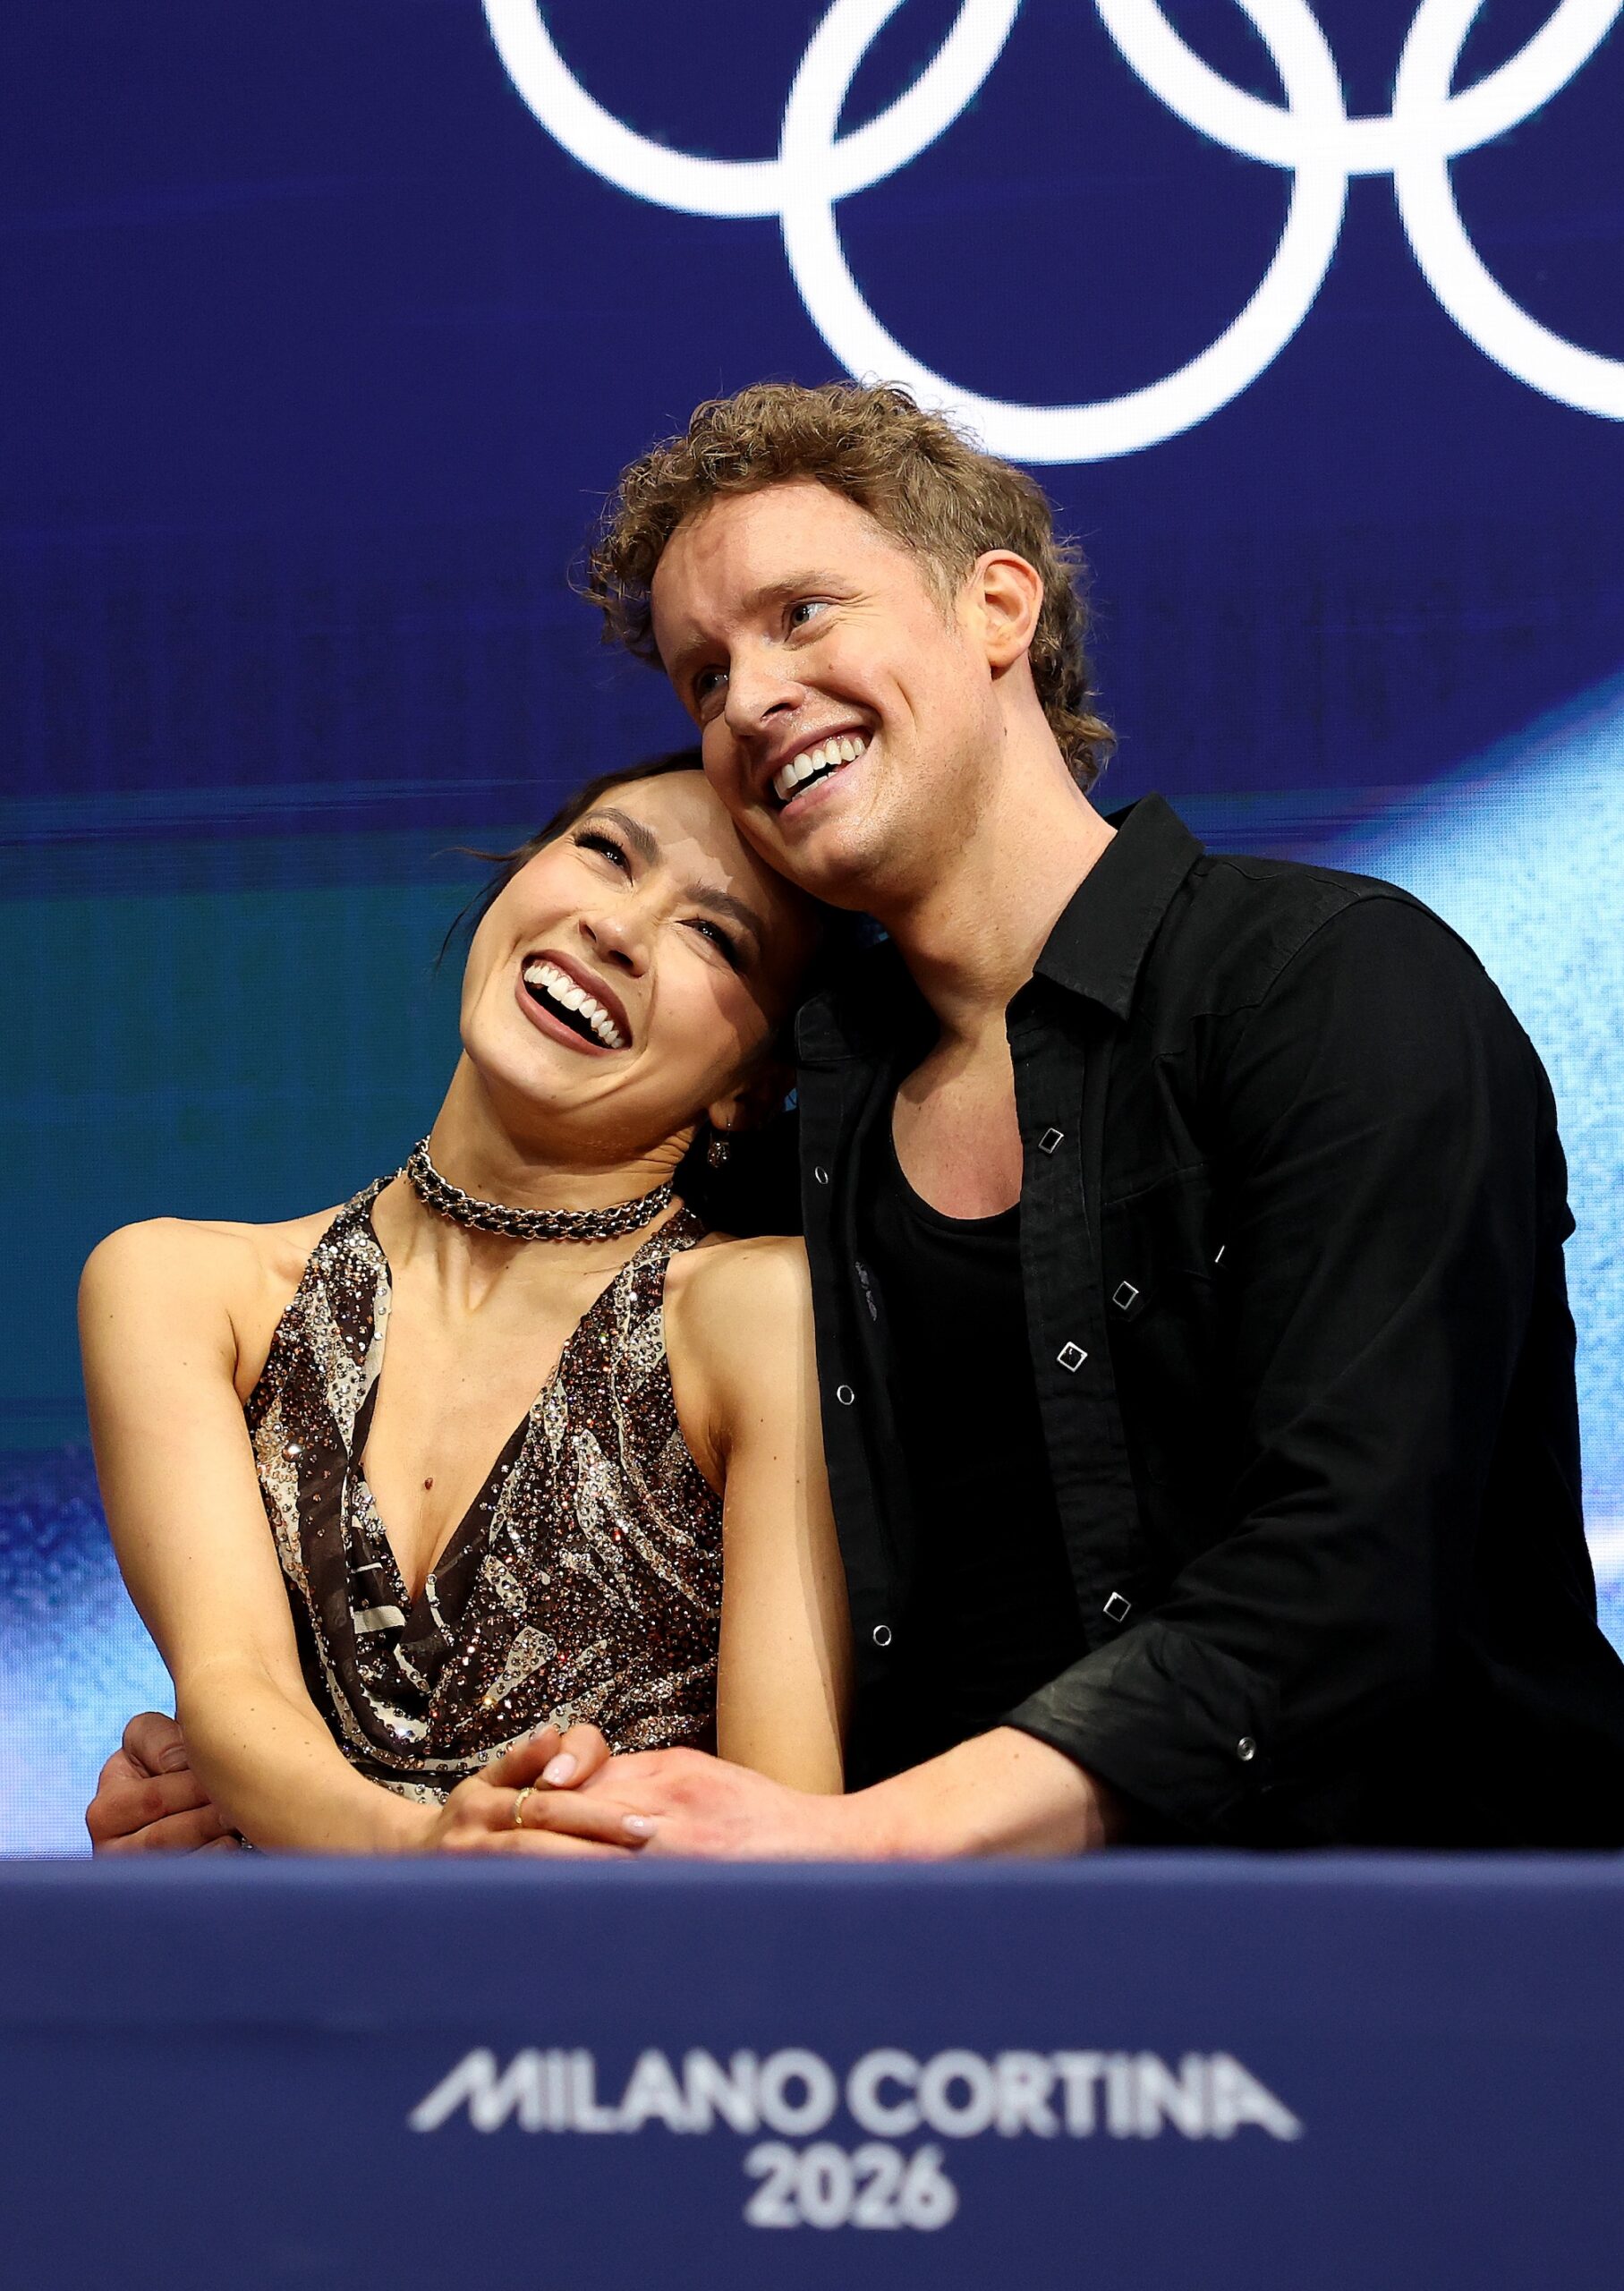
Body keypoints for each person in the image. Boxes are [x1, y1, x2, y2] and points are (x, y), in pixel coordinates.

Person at [95, 379, 1624, 1859]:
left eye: (803, 614)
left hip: (1425, 1947)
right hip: (966, 1987)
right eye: (704, 676)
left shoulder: (1331, 989)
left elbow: (1349, 1571)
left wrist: (858, 1843)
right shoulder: (794, 1129)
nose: (752, 698)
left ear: (997, 607)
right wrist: (267, 1789)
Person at [81, 751, 849, 1853]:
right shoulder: (184, 1292)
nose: (617, 929)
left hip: (626, 1968)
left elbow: (784, 1841)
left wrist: (373, 1859)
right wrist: (434, 1856)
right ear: (515, 880)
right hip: (289, 1965)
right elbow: (234, 1689)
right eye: (606, 852)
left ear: (752, 1086)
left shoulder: (762, 1316)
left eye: (713, 937)